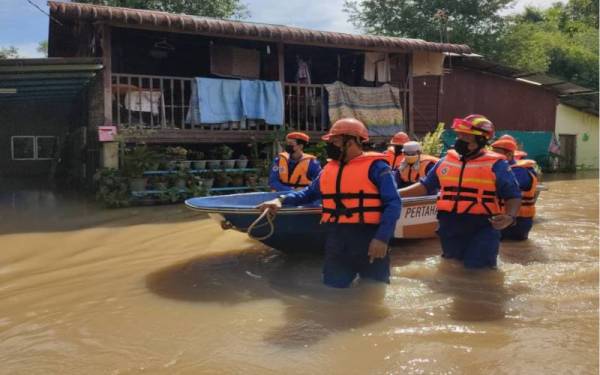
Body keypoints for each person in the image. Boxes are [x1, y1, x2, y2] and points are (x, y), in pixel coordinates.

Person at [258, 118, 401, 288]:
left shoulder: (377, 167)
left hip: (369, 237)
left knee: (373, 290)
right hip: (337, 238)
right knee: (333, 289)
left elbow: (393, 203)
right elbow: (308, 193)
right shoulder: (328, 169)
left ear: (352, 141)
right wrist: (280, 200)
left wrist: (382, 238)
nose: (330, 145)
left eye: (335, 141)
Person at [399, 114, 522, 269]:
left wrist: (510, 216)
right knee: (451, 267)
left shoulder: (497, 165)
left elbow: (513, 195)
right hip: (450, 225)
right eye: (459, 135)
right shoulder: (446, 161)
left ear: (480, 140)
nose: (459, 139)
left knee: (479, 271)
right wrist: (394, 194)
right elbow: (424, 186)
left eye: (465, 136)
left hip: (483, 226)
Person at [491, 137, 538, 240]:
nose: (494, 156)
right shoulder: (506, 169)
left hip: (516, 220)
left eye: (497, 153)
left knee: (509, 250)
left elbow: (509, 189)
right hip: (510, 219)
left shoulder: (518, 171)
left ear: (509, 155)